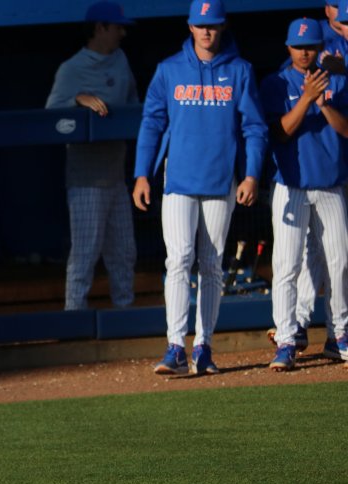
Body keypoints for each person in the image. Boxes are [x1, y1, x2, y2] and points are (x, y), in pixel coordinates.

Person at [133, 0, 267, 375]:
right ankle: (176, 345)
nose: (207, 31)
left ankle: (204, 346)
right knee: (177, 259)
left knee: (211, 264)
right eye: (201, 25)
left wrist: (252, 174)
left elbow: (254, 127)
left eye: (213, 25)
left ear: (223, 27)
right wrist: (142, 173)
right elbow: (152, 123)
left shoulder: (240, 71)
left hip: (221, 181)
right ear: (190, 27)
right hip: (178, 182)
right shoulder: (169, 70)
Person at [261, 18, 348, 370]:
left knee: (340, 263)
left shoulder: (340, 80)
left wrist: (323, 102)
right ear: (288, 48)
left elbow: (345, 130)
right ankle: (286, 340)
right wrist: (307, 98)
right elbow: (279, 132)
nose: (304, 52)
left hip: (330, 184)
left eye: (310, 46)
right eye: (298, 47)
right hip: (291, 185)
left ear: (319, 48)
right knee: (286, 265)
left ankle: (339, 334)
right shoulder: (276, 82)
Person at [46, 1, 139, 311]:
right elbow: (48, 117)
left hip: (116, 176)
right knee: (85, 253)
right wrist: (77, 99)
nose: (122, 33)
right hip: (85, 179)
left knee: (124, 251)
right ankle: (74, 315)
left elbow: (134, 108)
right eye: (117, 27)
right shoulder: (72, 69)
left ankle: (124, 313)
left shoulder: (121, 60)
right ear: (100, 28)